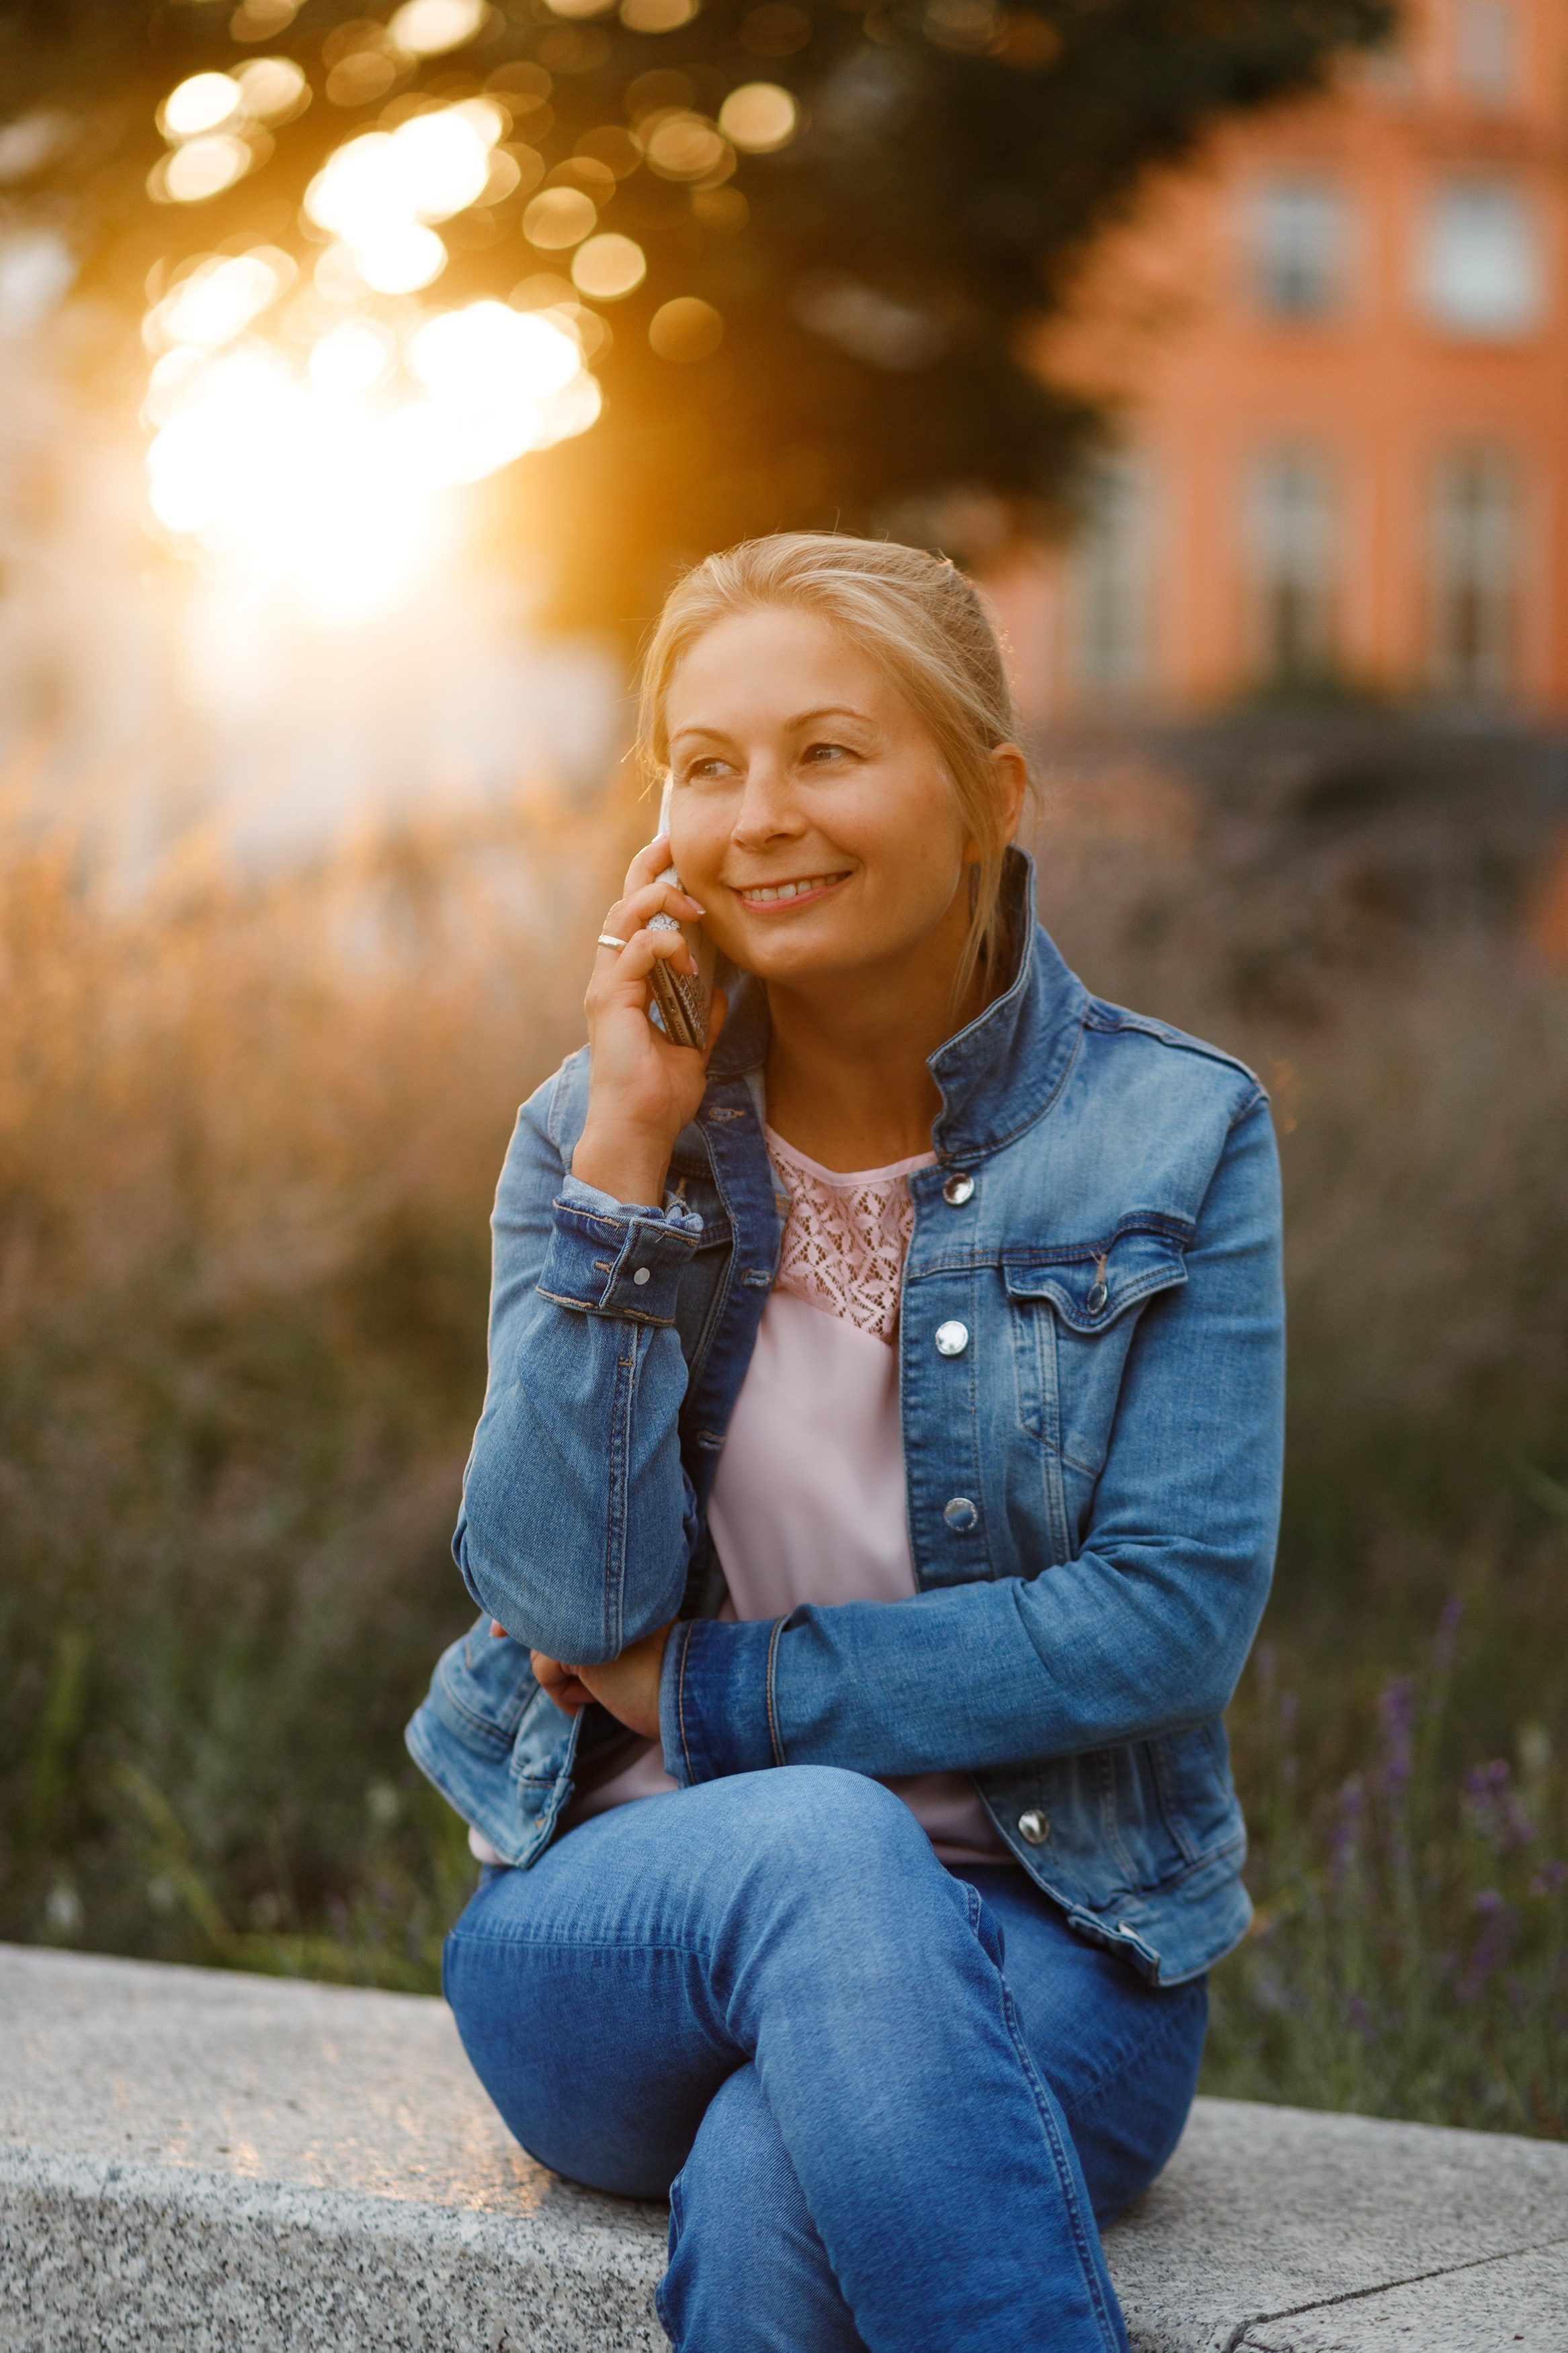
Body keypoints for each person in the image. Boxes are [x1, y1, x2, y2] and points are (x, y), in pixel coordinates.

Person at [407, 534, 1284, 2353]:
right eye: (705, 763)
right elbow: (562, 1593)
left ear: (987, 796)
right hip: (622, 1930)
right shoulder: (589, 1134)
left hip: (1050, 1940)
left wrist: (712, 1695)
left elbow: (1165, 1618)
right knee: (817, 1843)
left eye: (826, 750)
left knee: (769, 2177)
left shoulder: (1177, 1135)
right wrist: (632, 1159)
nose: (758, 815)